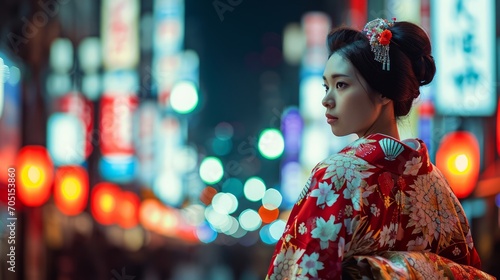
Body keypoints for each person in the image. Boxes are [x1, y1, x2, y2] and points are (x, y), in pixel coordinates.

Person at [265, 18, 496, 279]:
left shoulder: (336, 176)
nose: (326, 100)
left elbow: (299, 271)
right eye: (326, 86)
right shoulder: (438, 188)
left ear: (384, 92)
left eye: (341, 85)